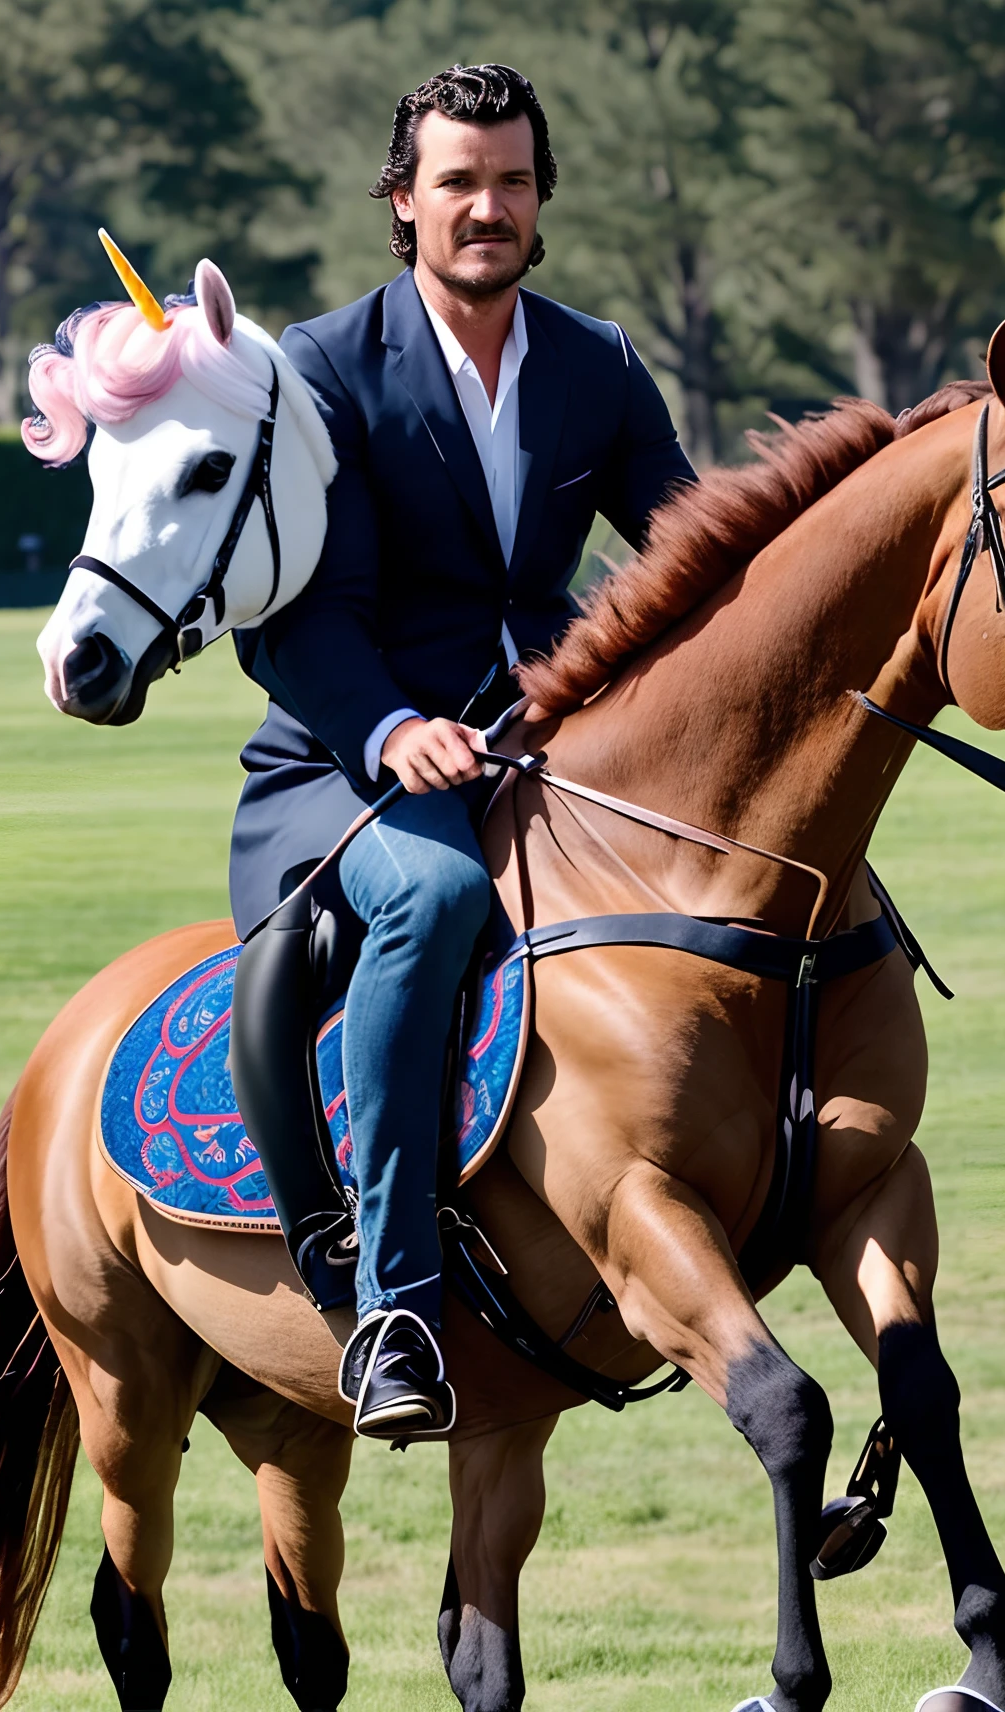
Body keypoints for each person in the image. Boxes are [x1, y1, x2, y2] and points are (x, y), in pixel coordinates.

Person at [230, 63, 694, 1438]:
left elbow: (689, 556)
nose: (486, 207)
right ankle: (394, 1309)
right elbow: (287, 619)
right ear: (402, 199)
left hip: (540, 753)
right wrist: (389, 728)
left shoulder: (598, 364)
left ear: (542, 195)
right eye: (457, 183)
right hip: (342, 766)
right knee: (433, 899)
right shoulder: (316, 369)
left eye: (511, 180)